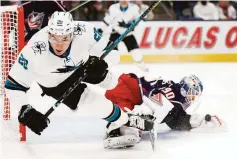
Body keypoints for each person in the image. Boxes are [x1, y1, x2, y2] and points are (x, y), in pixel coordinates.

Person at [4, 11, 154, 136]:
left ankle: (139, 99)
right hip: (54, 83)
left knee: (112, 82)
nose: (59, 44)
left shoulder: (84, 31)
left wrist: (103, 63)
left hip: (83, 66)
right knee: (90, 102)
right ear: (48, 33)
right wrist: (25, 111)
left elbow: (113, 52)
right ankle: (125, 120)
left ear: (72, 33)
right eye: (54, 38)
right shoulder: (34, 50)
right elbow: (13, 85)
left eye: (64, 38)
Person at [103, 73, 225, 149]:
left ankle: (118, 127)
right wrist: (202, 121)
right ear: (187, 88)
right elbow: (157, 101)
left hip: (125, 86)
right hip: (127, 90)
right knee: (132, 129)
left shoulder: (171, 86)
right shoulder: (177, 98)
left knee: (133, 132)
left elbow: (176, 120)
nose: (191, 98)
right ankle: (114, 129)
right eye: (193, 94)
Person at [99, 0, 149, 72]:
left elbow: (141, 20)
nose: (124, 0)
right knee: (110, 52)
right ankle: (106, 67)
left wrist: (133, 25)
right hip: (115, 33)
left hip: (128, 33)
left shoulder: (134, 8)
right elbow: (107, 20)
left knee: (135, 51)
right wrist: (100, 30)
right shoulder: (113, 8)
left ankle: (141, 65)